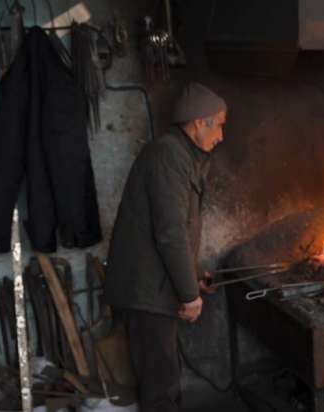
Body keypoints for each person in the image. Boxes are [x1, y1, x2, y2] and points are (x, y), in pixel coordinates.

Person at [104, 82, 226, 412]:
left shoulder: (179, 155)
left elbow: (180, 231)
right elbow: (170, 233)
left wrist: (195, 274)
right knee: (160, 386)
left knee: (165, 377)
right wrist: (189, 295)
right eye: (220, 125)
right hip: (145, 291)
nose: (222, 136)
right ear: (201, 122)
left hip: (152, 286)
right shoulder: (168, 156)